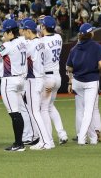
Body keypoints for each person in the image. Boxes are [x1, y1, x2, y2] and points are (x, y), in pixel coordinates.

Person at [66, 23, 101, 146]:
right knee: (89, 111)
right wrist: (99, 71)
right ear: (90, 34)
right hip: (91, 81)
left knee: (81, 111)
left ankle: (92, 138)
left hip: (77, 82)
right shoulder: (96, 46)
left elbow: (69, 67)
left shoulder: (74, 48)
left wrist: (71, 80)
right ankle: (82, 139)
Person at [0, 18, 29, 151]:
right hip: (21, 79)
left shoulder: (8, 45)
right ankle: (23, 140)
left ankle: (18, 143)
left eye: (5, 32)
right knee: (19, 112)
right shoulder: (22, 42)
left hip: (9, 80)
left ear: (10, 32)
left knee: (14, 113)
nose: (3, 35)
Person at [21, 19, 53, 150]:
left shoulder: (30, 44)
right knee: (37, 111)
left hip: (33, 79)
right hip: (41, 77)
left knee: (35, 112)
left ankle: (46, 142)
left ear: (29, 31)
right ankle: (45, 141)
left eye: (24, 30)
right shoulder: (40, 42)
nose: (23, 33)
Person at [39, 16, 68, 144]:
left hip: (47, 78)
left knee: (43, 108)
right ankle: (62, 134)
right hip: (57, 76)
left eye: (41, 25)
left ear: (44, 27)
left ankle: (48, 139)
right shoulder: (58, 38)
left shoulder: (41, 41)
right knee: (50, 106)